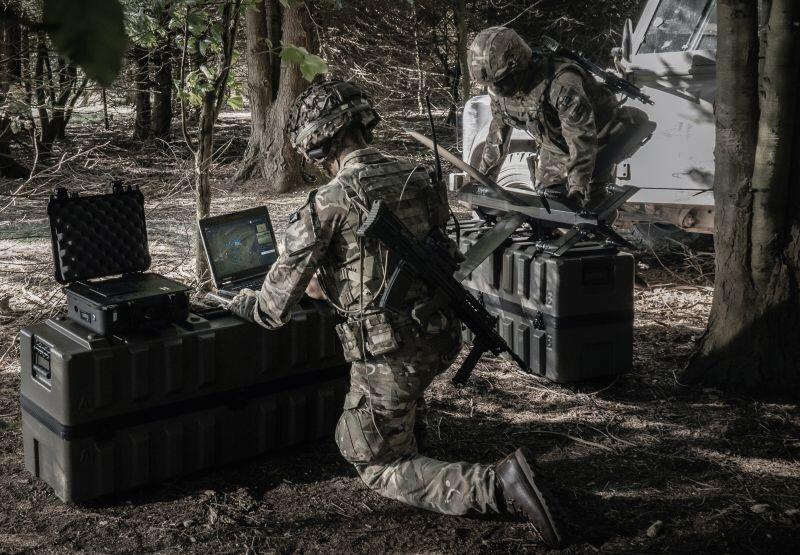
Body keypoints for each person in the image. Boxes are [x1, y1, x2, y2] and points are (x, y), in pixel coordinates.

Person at [225, 80, 564, 548]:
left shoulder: (327, 202)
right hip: (442, 334)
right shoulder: (418, 177)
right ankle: (403, 427)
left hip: (391, 352)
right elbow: (434, 254)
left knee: (369, 458)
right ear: (364, 124)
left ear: (317, 141)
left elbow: (273, 309)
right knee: (388, 412)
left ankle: (498, 486)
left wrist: (241, 301)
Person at [469, 26, 653, 210]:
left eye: (501, 82)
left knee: (589, 208)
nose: (497, 89)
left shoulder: (562, 82)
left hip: (600, 136)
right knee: (548, 203)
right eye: (492, 85)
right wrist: (482, 185)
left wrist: (577, 191)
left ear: (517, 65)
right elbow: (497, 137)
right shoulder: (499, 90)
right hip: (557, 145)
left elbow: (581, 137)